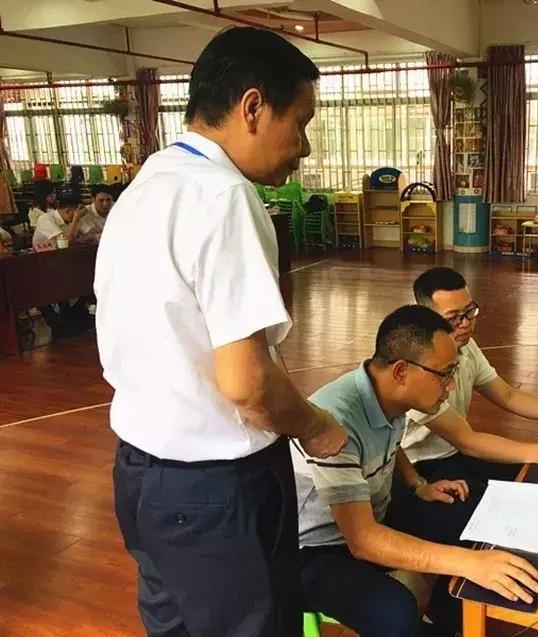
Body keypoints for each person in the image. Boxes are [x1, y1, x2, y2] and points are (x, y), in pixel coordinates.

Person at [94, 27, 348, 637]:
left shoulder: (148, 182)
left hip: (141, 475)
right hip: (216, 490)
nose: (305, 148)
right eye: (302, 122)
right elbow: (248, 383)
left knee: (174, 625)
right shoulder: (225, 196)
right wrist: (316, 425)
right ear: (253, 107)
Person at [295, 305, 538, 637]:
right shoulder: (335, 422)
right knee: (395, 612)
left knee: (469, 508)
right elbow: (363, 541)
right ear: (401, 371)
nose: (451, 386)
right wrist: (466, 562)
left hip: (372, 511)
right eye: (445, 373)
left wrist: (417, 484)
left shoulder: (389, 395)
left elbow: (390, 446)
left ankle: (447, 616)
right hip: (316, 549)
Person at [403, 267, 538, 483]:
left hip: (459, 451)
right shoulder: (419, 368)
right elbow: (468, 441)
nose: (465, 323)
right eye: (453, 317)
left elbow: (508, 395)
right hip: (423, 464)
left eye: (469, 311)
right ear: (426, 318)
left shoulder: (465, 346)